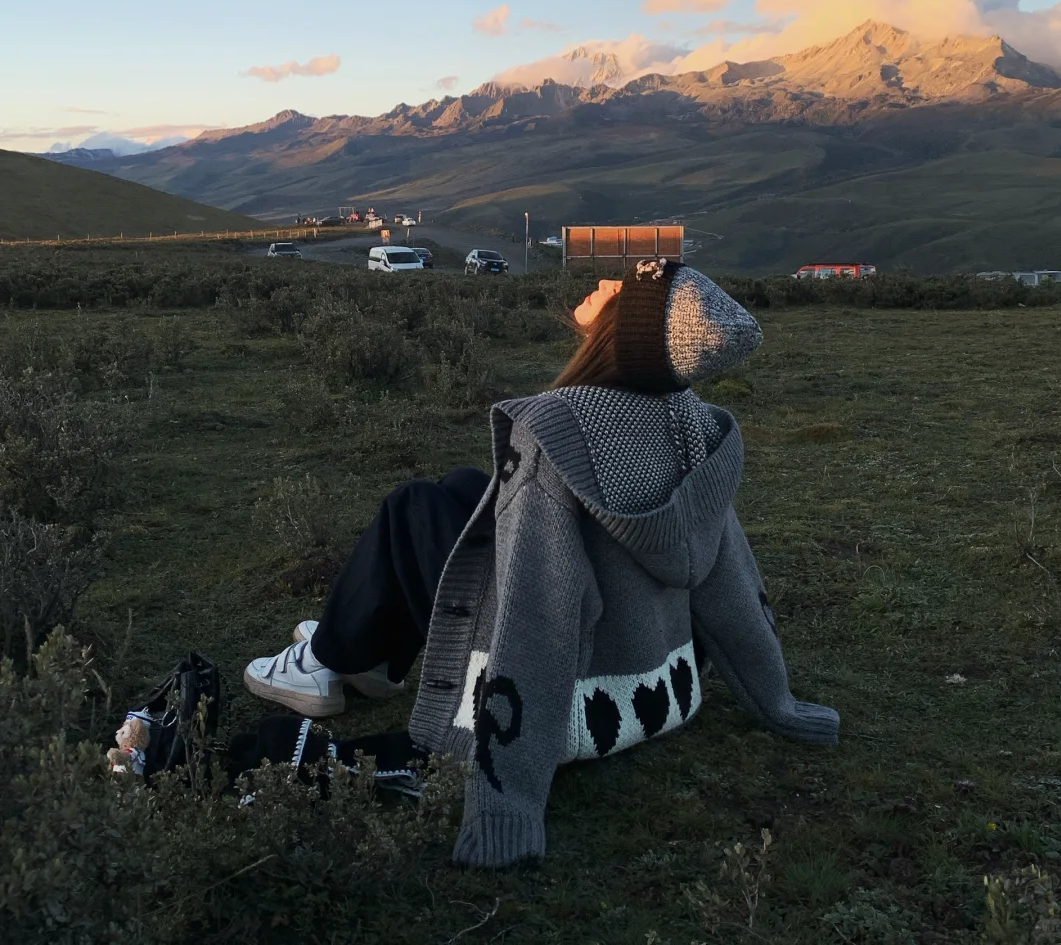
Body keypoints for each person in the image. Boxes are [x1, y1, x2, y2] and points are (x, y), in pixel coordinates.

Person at [244, 258, 839, 867]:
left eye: (625, 288)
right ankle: (373, 657)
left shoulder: (561, 426)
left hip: (581, 705)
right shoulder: (697, 422)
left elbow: (543, 605)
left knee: (414, 505)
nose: (607, 283)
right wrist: (780, 702)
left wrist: (509, 805)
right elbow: (731, 582)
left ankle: (326, 662)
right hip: (658, 684)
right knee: (464, 485)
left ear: (624, 329)